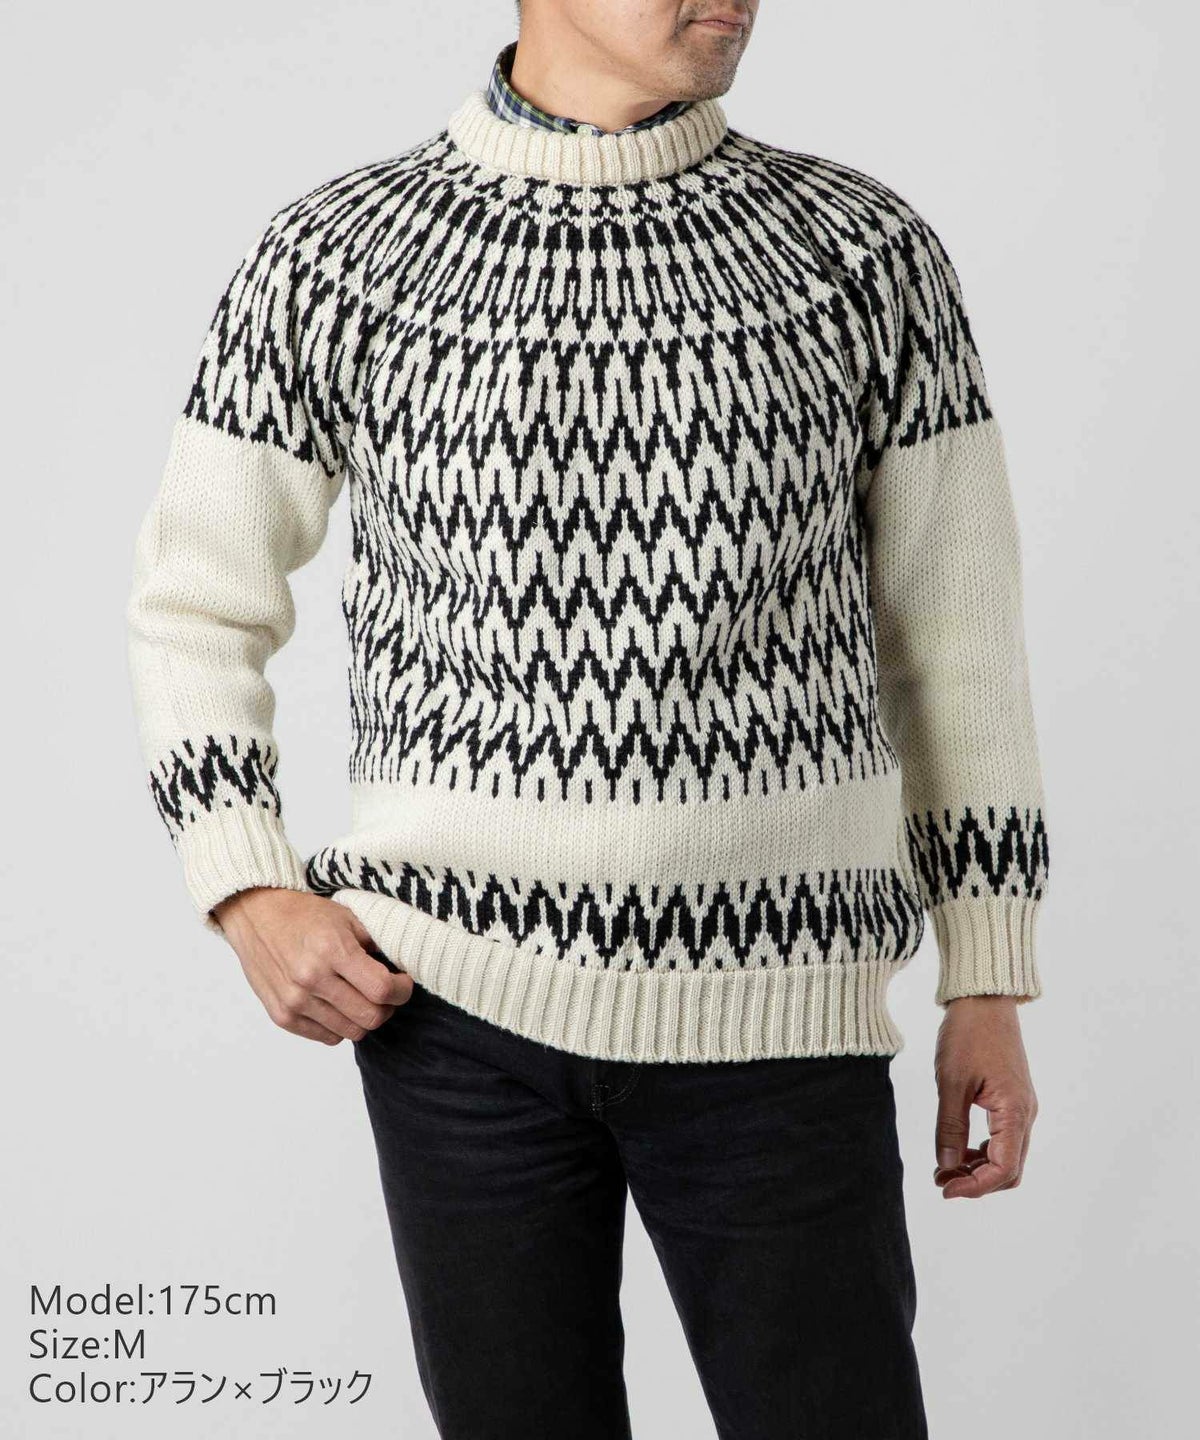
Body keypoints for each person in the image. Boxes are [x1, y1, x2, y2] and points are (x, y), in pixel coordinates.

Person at [125, 3, 1050, 1435]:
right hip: (451, 1017)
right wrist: (245, 886)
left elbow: (957, 638)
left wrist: (986, 972)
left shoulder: (862, 255)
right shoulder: (337, 257)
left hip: (780, 1008)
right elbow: (196, 601)